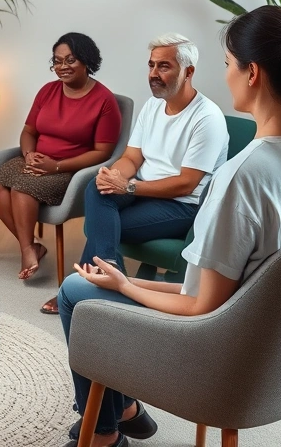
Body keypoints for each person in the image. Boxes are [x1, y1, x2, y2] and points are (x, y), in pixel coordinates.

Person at [55, 5, 281, 447]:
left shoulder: (243, 174)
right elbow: (234, 289)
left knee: (74, 294)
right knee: (103, 265)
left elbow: (200, 308)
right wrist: (123, 282)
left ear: (252, 74)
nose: (225, 74)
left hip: (225, 357)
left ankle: (103, 431)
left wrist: (126, 288)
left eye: (229, 64)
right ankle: (126, 408)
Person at [40, 33, 228, 313]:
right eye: (151, 65)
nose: (153, 73)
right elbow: (131, 157)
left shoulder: (207, 118)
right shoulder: (153, 105)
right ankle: (108, 275)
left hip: (182, 206)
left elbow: (186, 184)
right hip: (143, 191)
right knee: (96, 188)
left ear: (188, 72)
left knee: (101, 226)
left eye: (163, 66)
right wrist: (112, 177)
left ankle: (89, 286)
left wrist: (127, 188)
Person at [0, 33, 122, 280]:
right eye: (57, 61)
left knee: (21, 189)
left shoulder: (104, 101)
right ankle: (30, 246)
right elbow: (29, 131)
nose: (62, 67)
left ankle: (28, 250)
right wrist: (29, 155)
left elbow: (103, 152)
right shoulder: (47, 91)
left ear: (86, 61)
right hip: (38, 160)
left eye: (70, 60)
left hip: (71, 170)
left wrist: (57, 166)